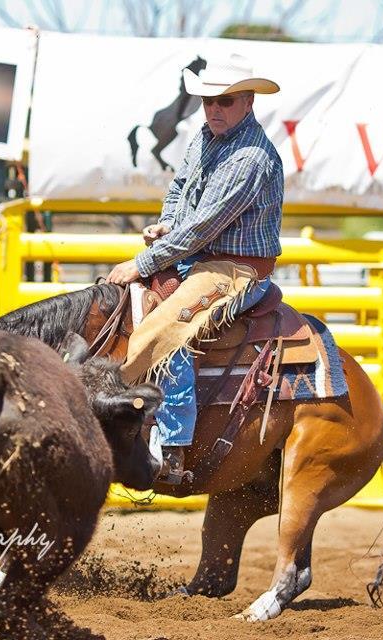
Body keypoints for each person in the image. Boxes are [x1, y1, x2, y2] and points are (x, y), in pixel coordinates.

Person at [106, 53, 284, 484]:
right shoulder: (204, 138)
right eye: (208, 101)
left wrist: (144, 261)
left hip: (236, 269)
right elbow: (180, 190)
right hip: (200, 256)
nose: (214, 109)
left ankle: (172, 448)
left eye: (225, 101)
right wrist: (167, 224)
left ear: (248, 102)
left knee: (169, 329)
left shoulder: (250, 158)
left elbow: (204, 227)